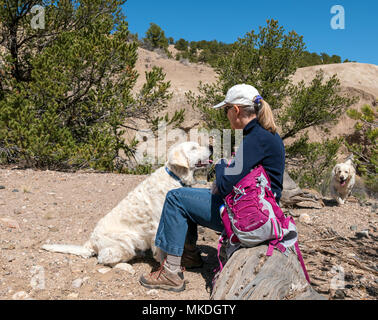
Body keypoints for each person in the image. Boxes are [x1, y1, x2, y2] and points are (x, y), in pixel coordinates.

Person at [139, 84, 285, 292]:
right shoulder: (264, 135)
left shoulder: (255, 139)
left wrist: (221, 164)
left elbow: (225, 185)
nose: (226, 115)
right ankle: (188, 256)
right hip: (259, 212)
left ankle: (170, 272)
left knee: (175, 198)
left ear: (235, 110)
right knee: (187, 196)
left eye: (226, 110)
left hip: (250, 217)